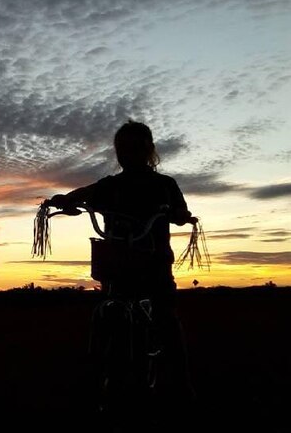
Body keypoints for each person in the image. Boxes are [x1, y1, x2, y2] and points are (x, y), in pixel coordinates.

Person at [46, 120, 196, 422]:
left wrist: (181, 215)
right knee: (106, 312)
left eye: (135, 148)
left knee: (165, 316)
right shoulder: (110, 186)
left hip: (154, 264)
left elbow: (180, 211)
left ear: (148, 150)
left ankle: (182, 384)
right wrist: (67, 201)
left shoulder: (164, 185)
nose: (128, 154)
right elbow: (85, 193)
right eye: (122, 149)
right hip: (117, 265)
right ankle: (96, 375)